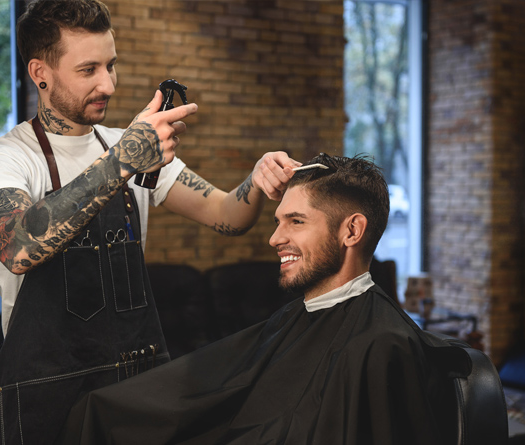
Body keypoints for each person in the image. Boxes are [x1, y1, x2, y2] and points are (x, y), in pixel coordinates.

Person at [0, 1, 299, 444]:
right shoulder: (5, 159)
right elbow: (17, 246)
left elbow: (227, 216)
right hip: (44, 397)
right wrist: (121, 161)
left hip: (133, 387)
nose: (107, 83)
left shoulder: (131, 146)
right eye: (88, 70)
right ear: (39, 72)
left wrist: (256, 180)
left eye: (111, 65)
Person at [56, 153, 466, 445]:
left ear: (352, 231)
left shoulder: (383, 345)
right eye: (277, 221)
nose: (274, 238)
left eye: (296, 221)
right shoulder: (292, 319)